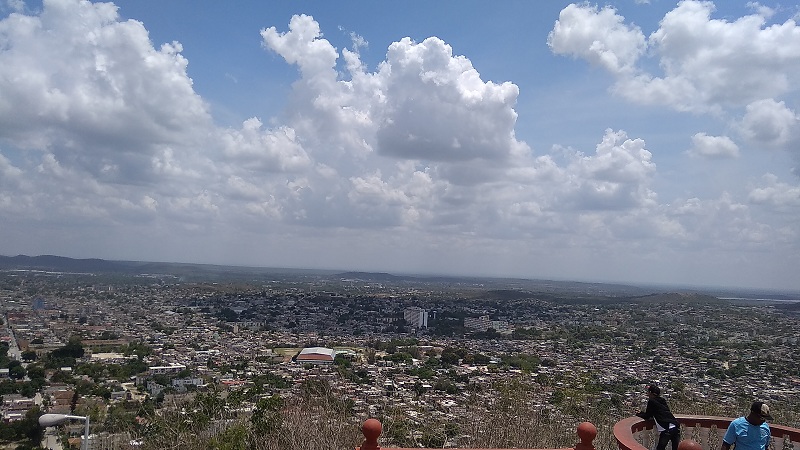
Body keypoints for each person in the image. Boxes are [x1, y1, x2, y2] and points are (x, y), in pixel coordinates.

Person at [636, 384, 680, 450]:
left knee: (660, 448)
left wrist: (638, 414)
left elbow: (648, 415)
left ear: (650, 393)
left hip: (667, 429)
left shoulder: (651, 401)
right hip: (675, 426)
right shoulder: (662, 400)